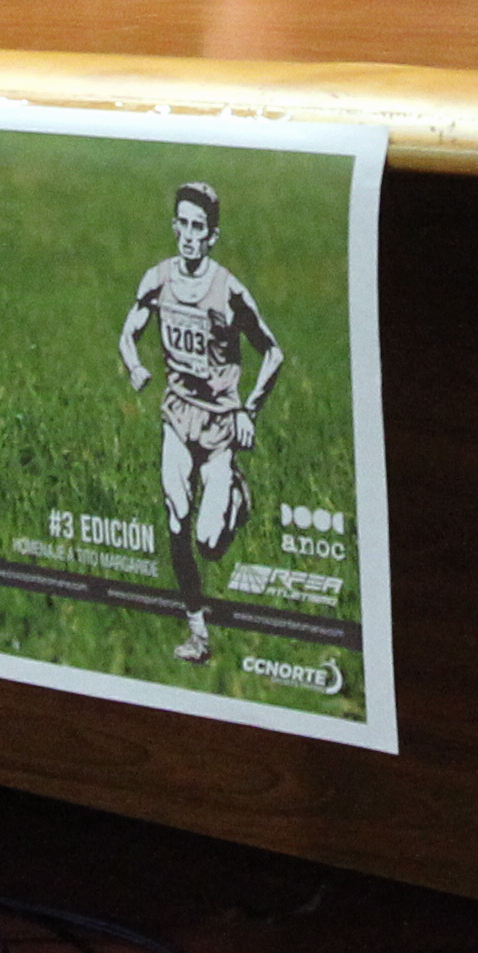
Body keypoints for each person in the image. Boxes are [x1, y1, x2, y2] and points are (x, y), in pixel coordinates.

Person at [119, 180, 282, 670]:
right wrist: (136, 366)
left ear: (212, 235)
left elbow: (271, 351)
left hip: (218, 431)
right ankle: (197, 633)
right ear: (174, 227)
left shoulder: (228, 290)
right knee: (175, 518)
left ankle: (234, 493)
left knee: (210, 545)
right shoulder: (157, 278)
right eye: (183, 225)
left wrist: (248, 410)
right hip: (176, 415)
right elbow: (129, 331)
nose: (189, 236)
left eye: (199, 227)